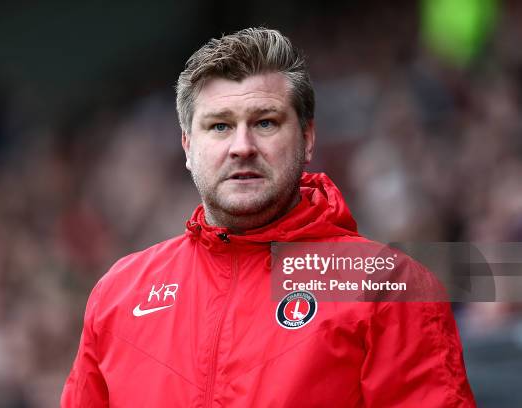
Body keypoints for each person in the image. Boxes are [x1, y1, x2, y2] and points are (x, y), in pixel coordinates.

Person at [61, 28, 476, 407]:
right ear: (187, 146)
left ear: (308, 138)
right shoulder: (119, 294)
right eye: (219, 127)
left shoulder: (387, 286)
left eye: (264, 122)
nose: (242, 146)